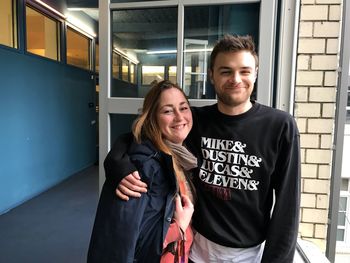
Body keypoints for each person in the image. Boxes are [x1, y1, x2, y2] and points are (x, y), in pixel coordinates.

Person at [114, 35, 301, 262]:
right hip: (195, 248)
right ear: (211, 75)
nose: (236, 79)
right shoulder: (195, 121)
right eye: (225, 71)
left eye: (244, 71)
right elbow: (139, 136)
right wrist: (119, 166)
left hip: (249, 254)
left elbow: (287, 207)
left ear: (255, 73)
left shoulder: (280, 126)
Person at [87, 80, 197, 263]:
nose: (179, 117)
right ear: (152, 118)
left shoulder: (178, 153)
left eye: (183, 108)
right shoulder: (143, 167)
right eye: (168, 111)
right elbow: (128, 246)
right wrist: (179, 226)